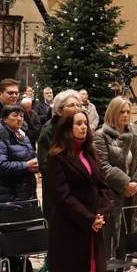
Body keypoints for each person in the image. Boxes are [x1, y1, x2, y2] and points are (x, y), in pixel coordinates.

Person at [46, 110, 113, 272]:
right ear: (67, 127)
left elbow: (103, 187)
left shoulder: (90, 153)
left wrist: (101, 214)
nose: (84, 127)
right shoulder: (57, 156)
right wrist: (88, 218)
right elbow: (63, 197)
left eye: (85, 123)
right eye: (78, 123)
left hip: (91, 228)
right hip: (68, 228)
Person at [94, 97, 137, 272]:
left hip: (133, 196)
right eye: (121, 112)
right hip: (112, 196)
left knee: (127, 239)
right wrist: (125, 183)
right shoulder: (101, 136)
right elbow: (103, 166)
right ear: (112, 113)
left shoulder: (136, 135)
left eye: (128, 111)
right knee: (109, 242)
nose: (125, 115)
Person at [0, 105, 37, 237]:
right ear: (5, 119)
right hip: (4, 194)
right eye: (15, 115)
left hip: (22, 193)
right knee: (6, 241)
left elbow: (29, 156)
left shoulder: (21, 135)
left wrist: (36, 163)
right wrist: (26, 166)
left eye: (22, 116)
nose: (19, 119)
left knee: (21, 238)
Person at [37, 90, 83, 222]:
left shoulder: (80, 128)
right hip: (59, 193)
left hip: (79, 191)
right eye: (72, 105)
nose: (77, 109)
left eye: (79, 105)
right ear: (59, 110)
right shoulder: (49, 131)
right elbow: (46, 166)